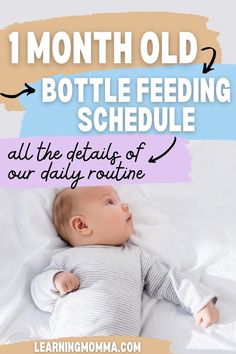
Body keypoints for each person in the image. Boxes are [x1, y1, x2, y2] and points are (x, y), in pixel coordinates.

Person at [31, 186, 219, 338]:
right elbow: (38, 294)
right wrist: (54, 280)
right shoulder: (65, 259)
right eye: (110, 202)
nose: (125, 205)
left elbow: (169, 280)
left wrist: (199, 301)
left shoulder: (137, 257)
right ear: (82, 225)